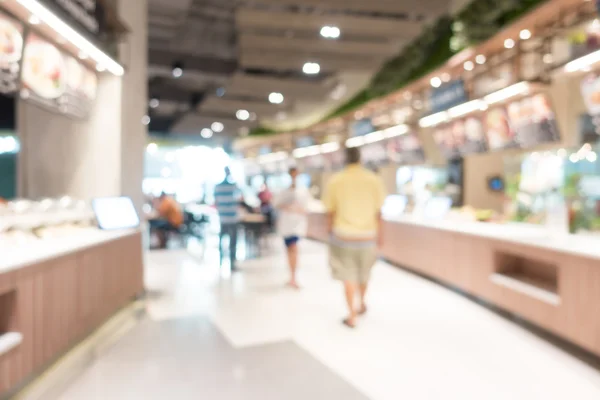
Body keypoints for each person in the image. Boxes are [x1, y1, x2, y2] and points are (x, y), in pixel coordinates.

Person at [322, 146, 386, 328]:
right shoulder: (373, 180)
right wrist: (380, 237)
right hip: (367, 236)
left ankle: (352, 315)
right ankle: (361, 302)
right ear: (360, 159)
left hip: (343, 236)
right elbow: (379, 213)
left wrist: (329, 233)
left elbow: (330, 212)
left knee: (347, 274)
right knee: (364, 273)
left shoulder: (336, 180)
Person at [274, 167, 311, 289]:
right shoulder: (284, 191)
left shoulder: (303, 191)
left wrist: (296, 209)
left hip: (296, 225)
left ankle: (294, 277)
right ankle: (291, 276)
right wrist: (287, 206)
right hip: (286, 224)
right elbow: (276, 204)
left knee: (294, 248)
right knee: (289, 250)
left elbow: (306, 208)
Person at [215, 167, 240, 271]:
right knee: (232, 241)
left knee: (222, 240)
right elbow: (239, 199)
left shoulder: (218, 187)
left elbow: (215, 202)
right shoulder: (234, 186)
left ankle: (221, 261)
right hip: (232, 217)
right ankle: (232, 263)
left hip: (223, 217)